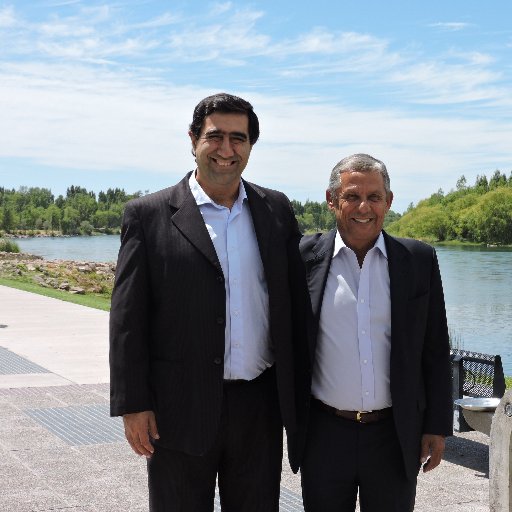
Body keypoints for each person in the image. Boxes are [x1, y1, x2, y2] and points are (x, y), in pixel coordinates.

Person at [109, 93, 304, 512]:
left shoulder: (276, 210)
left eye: (239, 138)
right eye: (215, 137)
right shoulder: (149, 214)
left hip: (259, 408)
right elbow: (128, 319)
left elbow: (293, 303)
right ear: (194, 138)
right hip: (178, 408)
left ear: (251, 146)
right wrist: (133, 403)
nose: (226, 149)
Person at [297, 153, 453, 511]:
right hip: (324, 434)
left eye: (374, 197)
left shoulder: (418, 260)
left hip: (394, 435)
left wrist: (437, 426)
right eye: (352, 196)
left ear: (389, 201)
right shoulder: (302, 257)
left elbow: (434, 347)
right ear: (332, 200)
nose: (363, 206)